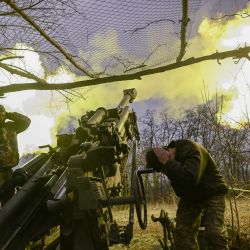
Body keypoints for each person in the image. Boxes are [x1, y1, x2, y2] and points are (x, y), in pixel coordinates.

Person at [146, 139, 229, 250]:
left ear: (167, 154)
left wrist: (168, 163)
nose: (165, 171)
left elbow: (191, 178)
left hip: (213, 192)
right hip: (192, 196)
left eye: (164, 168)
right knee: (182, 232)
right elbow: (180, 191)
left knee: (214, 233)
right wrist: (169, 167)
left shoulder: (190, 148)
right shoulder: (171, 163)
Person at [0, 105, 31, 206]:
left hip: (7, 172)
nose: (0, 117)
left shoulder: (11, 127)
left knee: (8, 203)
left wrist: (9, 114)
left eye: (2, 115)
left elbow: (26, 121)